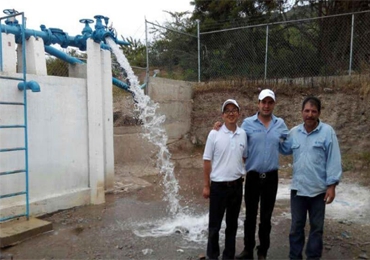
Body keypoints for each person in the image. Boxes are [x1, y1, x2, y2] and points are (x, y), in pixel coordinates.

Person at [215, 89, 289, 259]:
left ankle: (262, 251)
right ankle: (248, 249)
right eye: (264, 102)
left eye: (270, 102)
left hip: (271, 177)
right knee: (250, 215)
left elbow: (288, 143)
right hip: (253, 177)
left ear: (274, 104)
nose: (266, 106)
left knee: (266, 216)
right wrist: (218, 127)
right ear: (258, 103)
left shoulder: (280, 124)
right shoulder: (248, 124)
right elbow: (233, 134)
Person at [280, 96, 342, 260]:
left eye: (313, 111)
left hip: (318, 191)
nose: (310, 114)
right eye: (307, 111)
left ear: (319, 113)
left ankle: (313, 257)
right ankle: (295, 257)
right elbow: (284, 148)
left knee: (316, 228)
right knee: (296, 227)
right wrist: (273, 134)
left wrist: (332, 186)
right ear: (302, 112)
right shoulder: (294, 132)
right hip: (298, 191)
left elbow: (333, 159)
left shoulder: (328, 132)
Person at [203, 99, 248, 260]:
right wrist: (206, 186)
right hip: (218, 187)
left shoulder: (242, 134)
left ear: (238, 113)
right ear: (222, 115)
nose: (231, 113)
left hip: (236, 186)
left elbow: (243, 156)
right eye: (227, 110)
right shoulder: (214, 134)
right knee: (214, 225)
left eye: (234, 110)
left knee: (232, 224)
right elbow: (207, 160)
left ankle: (228, 255)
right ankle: (212, 255)